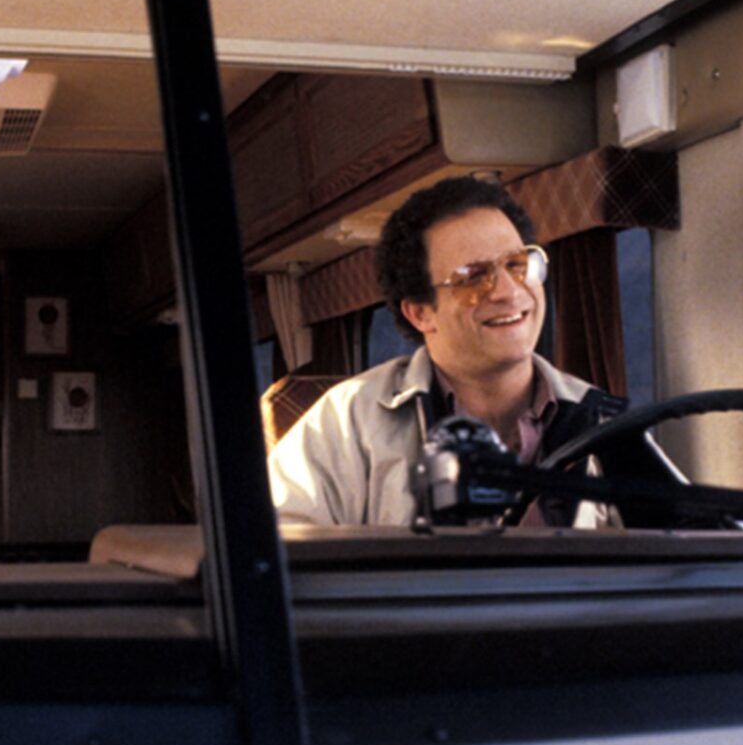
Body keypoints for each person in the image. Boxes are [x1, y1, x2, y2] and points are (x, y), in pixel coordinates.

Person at [268, 175, 629, 527]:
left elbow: (658, 546)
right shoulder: (348, 420)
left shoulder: (603, 421)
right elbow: (277, 542)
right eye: (472, 277)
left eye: (517, 265)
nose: (509, 291)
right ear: (420, 313)